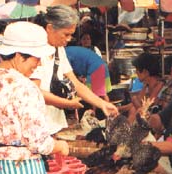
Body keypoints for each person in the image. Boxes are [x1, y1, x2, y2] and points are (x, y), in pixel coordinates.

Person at [0, 21, 69, 174]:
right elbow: (38, 141)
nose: (38, 64)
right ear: (19, 56)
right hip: (21, 168)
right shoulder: (25, 87)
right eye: (36, 58)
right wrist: (59, 146)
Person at [32, 5, 118, 134]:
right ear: (50, 28)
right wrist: (66, 103)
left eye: (70, 35)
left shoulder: (58, 50)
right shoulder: (32, 53)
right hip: (37, 124)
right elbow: (35, 91)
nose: (68, 39)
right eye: (66, 34)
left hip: (55, 123)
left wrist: (102, 104)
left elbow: (75, 83)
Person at [120, 53, 164, 124]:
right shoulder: (146, 84)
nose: (136, 72)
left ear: (146, 72)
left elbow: (146, 108)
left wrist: (134, 99)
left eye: (137, 69)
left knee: (134, 108)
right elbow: (138, 102)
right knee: (133, 108)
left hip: (154, 120)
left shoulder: (159, 85)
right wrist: (119, 109)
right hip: (145, 116)